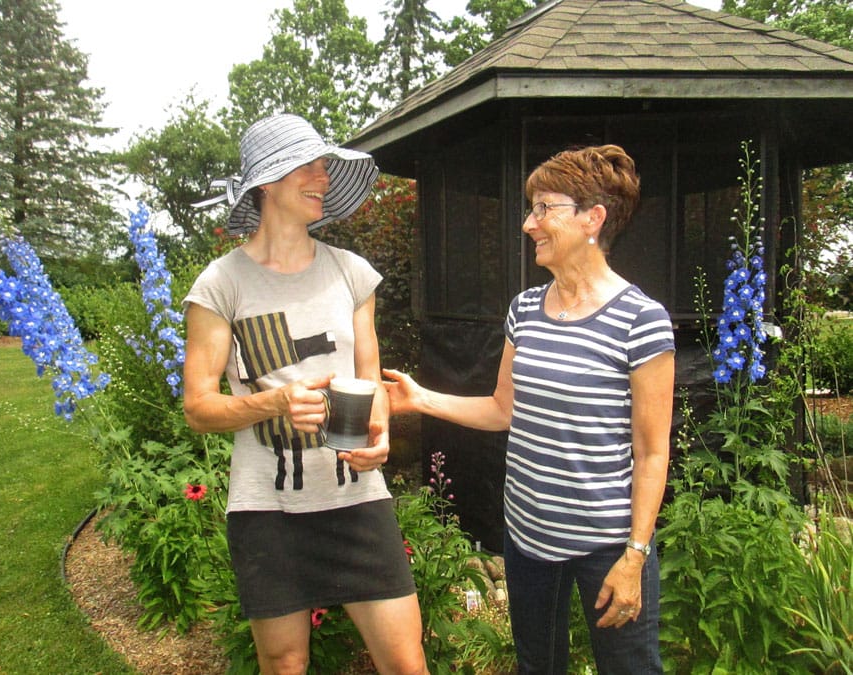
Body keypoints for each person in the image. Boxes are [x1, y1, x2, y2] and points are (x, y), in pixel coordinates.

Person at [384, 144, 675, 674]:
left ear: (593, 218)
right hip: (528, 536)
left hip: (608, 545)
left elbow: (652, 451)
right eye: (531, 208)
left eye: (544, 208)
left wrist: (635, 554)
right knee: (536, 667)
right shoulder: (524, 311)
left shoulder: (641, 320)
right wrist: (420, 398)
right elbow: (503, 410)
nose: (528, 224)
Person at [183, 113, 428, 675]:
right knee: (285, 662)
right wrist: (273, 402)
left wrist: (380, 433)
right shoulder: (220, 284)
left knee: (406, 661)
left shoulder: (351, 273)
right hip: (267, 508)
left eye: (325, 166)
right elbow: (198, 407)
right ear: (266, 183)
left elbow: (370, 379)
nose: (323, 176)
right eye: (309, 166)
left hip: (356, 498)